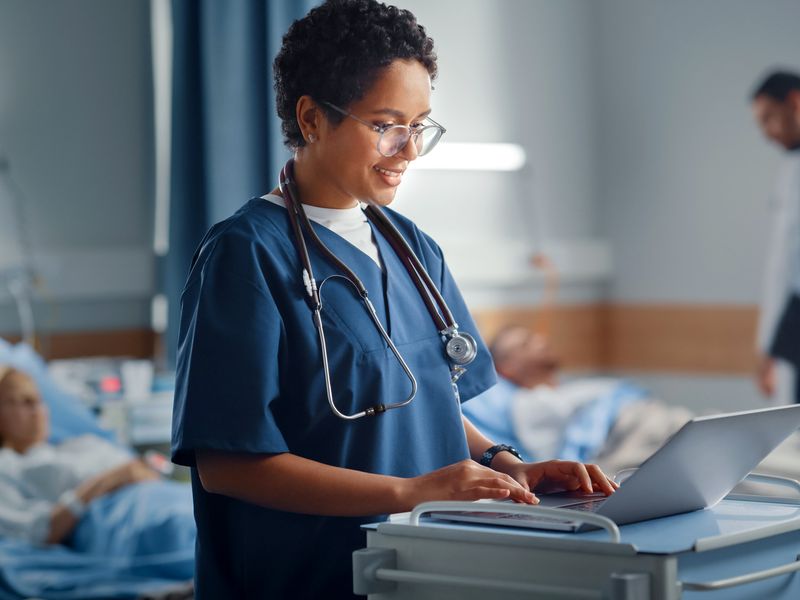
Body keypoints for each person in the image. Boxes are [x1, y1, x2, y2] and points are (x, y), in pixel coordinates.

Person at [170, 1, 617, 598]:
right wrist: (410, 493)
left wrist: (506, 463)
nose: (408, 150)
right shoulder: (246, 255)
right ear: (311, 119)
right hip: (310, 576)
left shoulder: (414, 250)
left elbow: (421, 401)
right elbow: (227, 464)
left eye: (420, 124)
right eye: (386, 125)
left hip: (426, 569)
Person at [0, 368, 194, 574]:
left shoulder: (81, 443)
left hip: (158, 495)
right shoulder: (8, 466)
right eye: (20, 400)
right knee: (187, 533)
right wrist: (108, 481)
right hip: (116, 519)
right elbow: (40, 533)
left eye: (38, 399)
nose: (36, 408)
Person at [462, 325, 693, 474]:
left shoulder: (567, 390)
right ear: (506, 367)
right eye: (525, 344)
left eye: (535, 337)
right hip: (623, 432)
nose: (540, 341)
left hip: (642, 416)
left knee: (700, 431)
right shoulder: (522, 402)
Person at [750, 70, 800, 404]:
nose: (767, 134)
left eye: (769, 118)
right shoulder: (791, 169)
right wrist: (766, 348)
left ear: (794, 102)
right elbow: (782, 263)